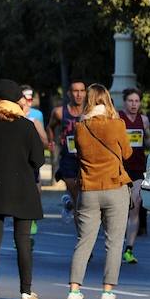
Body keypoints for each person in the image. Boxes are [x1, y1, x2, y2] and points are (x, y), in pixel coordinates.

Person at [0, 79, 45, 299]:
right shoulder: (26, 126)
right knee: (23, 241)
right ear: (18, 101)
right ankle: (26, 293)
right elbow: (38, 159)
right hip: (22, 188)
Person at [64, 84, 132, 299]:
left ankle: (74, 291)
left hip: (89, 189)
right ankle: (107, 293)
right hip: (114, 187)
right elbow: (128, 153)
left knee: (84, 241)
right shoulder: (117, 125)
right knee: (113, 243)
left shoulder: (81, 127)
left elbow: (80, 154)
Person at [119, 88, 150, 264]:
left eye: (136, 101)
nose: (133, 104)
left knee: (136, 205)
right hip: (119, 170)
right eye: (130, 101)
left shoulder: (144, 120)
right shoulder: (118, 119)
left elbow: (148, 140)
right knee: (120, 210)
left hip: (137, 168)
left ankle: (129, 249)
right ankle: (116, 245)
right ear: (124, 102)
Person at [48, 79, 86, 223]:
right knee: (78, 200)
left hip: (86, 159)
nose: (79, 94)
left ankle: (69, 203)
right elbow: (50, 127)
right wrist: (51, 141)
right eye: (75, 91)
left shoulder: (90, 112)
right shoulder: (59, 112)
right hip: (68, 159)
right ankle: (81, 236)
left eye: (82, 91)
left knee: (83, 199)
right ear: (69, 93)